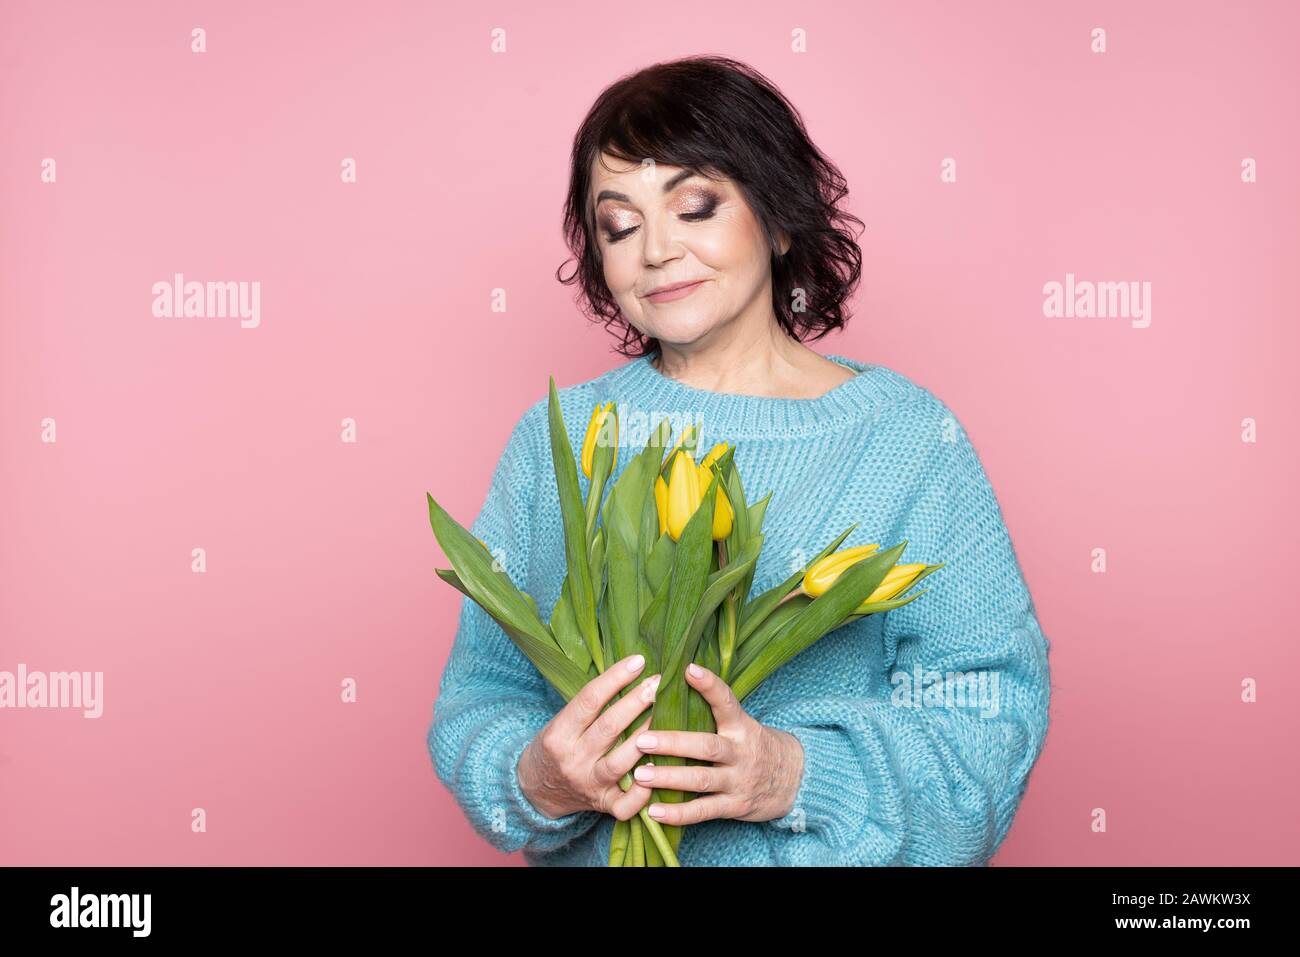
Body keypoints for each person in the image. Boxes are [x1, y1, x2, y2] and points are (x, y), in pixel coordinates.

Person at [428, 55, 1051, 866]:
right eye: (619, 225)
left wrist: (796, 776)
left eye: (695, 206)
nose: (655, 250)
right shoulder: (564, 438)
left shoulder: (906, 439)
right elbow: (479, 697)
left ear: (780, 216)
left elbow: (990, 717)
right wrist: (540, 778)